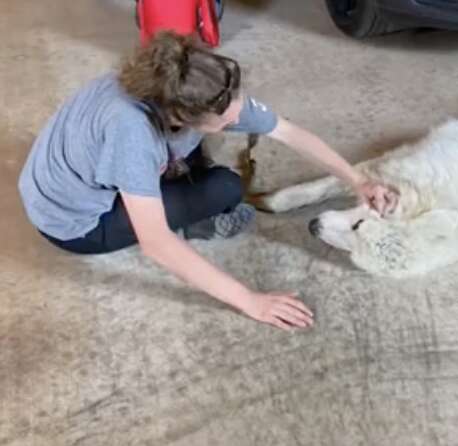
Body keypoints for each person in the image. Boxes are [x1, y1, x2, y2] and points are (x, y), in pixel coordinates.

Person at [18, 32, 398, 331]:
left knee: (207, 167)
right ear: (183, 117)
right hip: (74, 223)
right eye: (227, 122)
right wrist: (250, 300)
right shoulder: (131, 134)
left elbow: (289, 132)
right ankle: (200, 224)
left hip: (55, 176)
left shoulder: (180, 83)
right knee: (225, 188)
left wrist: (357, 181)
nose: (237, 120)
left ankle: (179, 181)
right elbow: (156, 243)